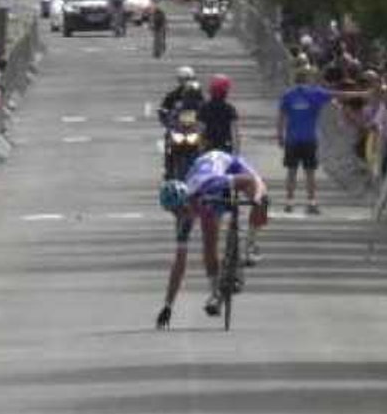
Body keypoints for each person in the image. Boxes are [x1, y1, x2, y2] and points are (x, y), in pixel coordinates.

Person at [156, 150, 269, 328]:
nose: (183, 214)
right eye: (177, 213)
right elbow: (179, 264)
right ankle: (215, 293)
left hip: (228, 167)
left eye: (183, 209)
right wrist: (168, 306)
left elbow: (251, 180)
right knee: (209, 240)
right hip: (205, 197)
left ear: (187, 199)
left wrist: (256, 199)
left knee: (263, 195)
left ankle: (251, 244)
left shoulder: (209, 185)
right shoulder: (183, 219)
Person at [277, 66, 372, 215]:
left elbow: (282, 116)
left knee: (291, 171)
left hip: (292, 139)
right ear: (308, 80)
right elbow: (340, 95)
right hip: (309, 138)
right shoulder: (315, 93)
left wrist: (279, 135)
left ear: (295, 80)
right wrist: (364, 93)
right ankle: (311, 202)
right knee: (310, 172)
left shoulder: (288, 95)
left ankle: (289, 201)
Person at [198, 74, 240, 153]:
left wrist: (199, 149)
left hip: (208, 148)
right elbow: (234, 132)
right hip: (226, 148)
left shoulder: (204, 108)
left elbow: (200, 130)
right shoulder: (229, 108)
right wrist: (236, 153)